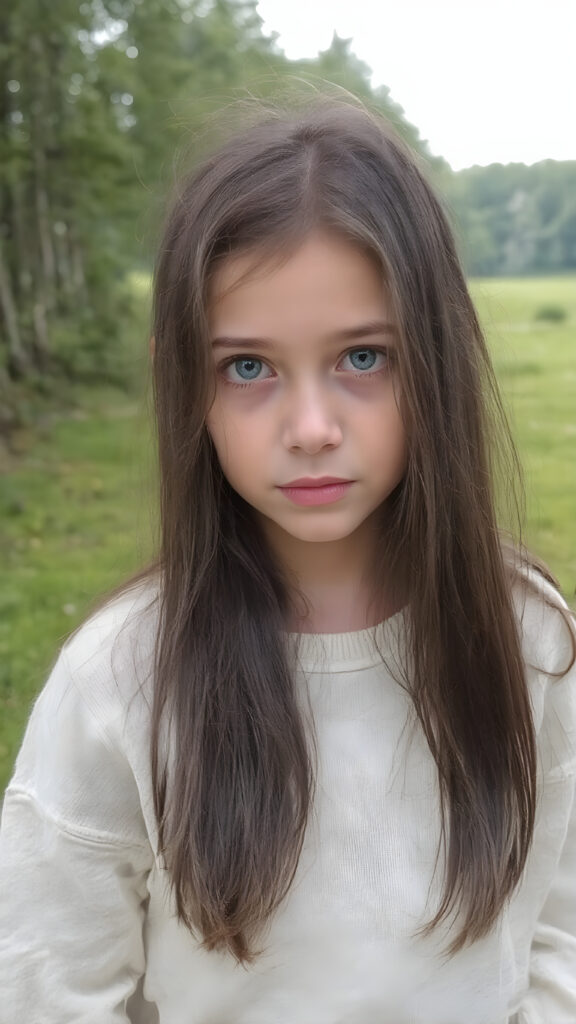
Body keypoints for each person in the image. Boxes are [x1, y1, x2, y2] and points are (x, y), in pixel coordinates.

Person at [0, 99, 575, 1024]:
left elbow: (561, 924)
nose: (311, 429)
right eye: (249, 369)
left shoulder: (533, 644)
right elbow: (47, 986)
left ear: (437, 358)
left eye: (361, 356)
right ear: (186, 380)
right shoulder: (117, 683)